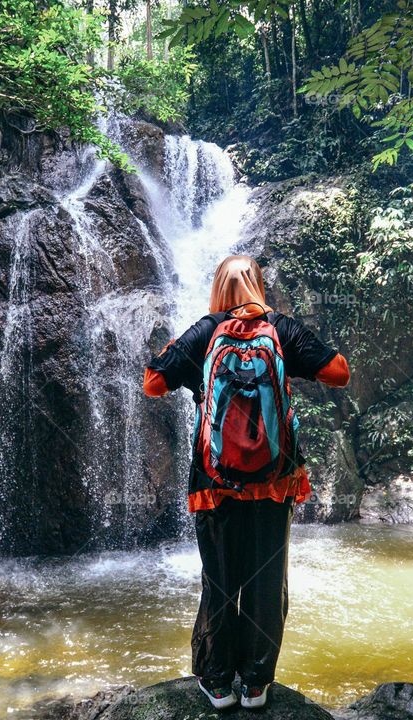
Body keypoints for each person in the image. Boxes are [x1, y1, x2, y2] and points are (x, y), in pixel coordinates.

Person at [143, 255, 349, 709]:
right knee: (266, 578)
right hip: (275, 482)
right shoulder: (283, 328)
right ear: (257, 285)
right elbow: (340, 373)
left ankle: (217, 682)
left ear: (219, 286)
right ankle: (256, 684)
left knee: (219, 580)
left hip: (214, 484)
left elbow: (153, 384)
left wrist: (185, 354)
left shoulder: (205, 330)